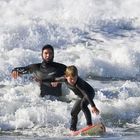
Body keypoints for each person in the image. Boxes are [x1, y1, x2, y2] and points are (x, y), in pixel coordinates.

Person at [55, 65, 100, 132]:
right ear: (66, 77)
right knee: (73, 113)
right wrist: (47, 81)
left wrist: (93, 106)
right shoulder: (64, 79)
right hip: (81, 96)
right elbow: (54, 79)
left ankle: (89, 125)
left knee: (83, 105)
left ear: (77, 76)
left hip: (89, 93)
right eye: (71, 79)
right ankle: (73, 129)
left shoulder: (78, 84)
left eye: (75, 78)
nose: (73, 80)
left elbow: (86, 94)